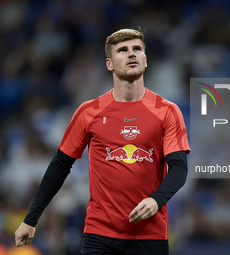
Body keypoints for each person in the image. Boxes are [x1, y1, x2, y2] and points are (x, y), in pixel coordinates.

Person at [14, 28, 190, 255]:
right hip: (100, 235)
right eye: (123, 50)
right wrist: (31, 219)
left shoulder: (167, 111)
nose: (131, 54)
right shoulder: (89, 112)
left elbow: (179, 168)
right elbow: (60, 166)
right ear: (109, 64)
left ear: (145, 60)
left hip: (149, 235)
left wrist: (156, 200)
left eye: (137, 49)